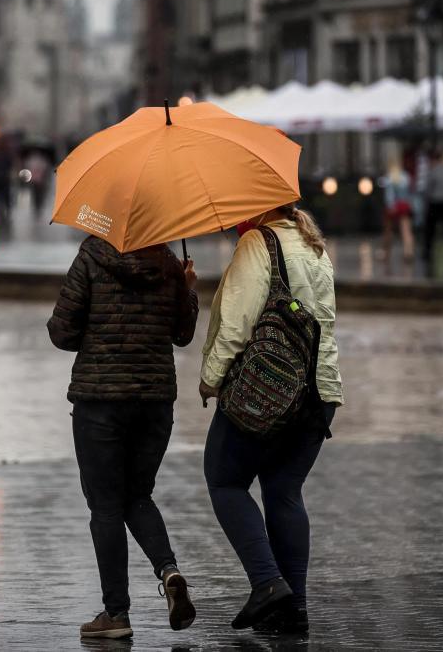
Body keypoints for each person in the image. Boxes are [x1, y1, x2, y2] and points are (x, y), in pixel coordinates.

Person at [199, 204, 343, 634]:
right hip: (321, 391)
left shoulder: (257, 243)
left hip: (270, 389)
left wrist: (210, 379)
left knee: (224, 480)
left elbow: (236, 326)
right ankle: (293, 608)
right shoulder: (313, 244)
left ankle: (266, 583)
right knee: (284, 490)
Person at [47, 236, 199, 640]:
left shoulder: (92, 255)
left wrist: (96, 330)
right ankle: (169, 571)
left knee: (106, 506)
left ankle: (116, 614)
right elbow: (183, 334)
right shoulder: (169, 262)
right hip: (154, 402)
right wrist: (187, 288)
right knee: (138, 495)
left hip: (100, 401)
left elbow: (62, 331)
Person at [380, 159, 415, 263]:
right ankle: (408, 251)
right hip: (404, 205)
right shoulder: (406, 177)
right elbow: (410, 193)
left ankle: (386, 253)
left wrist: (390, 206)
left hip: (394, 205)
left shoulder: (389, 178)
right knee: (406, 230)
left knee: (388, 231)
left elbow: (389, 194)